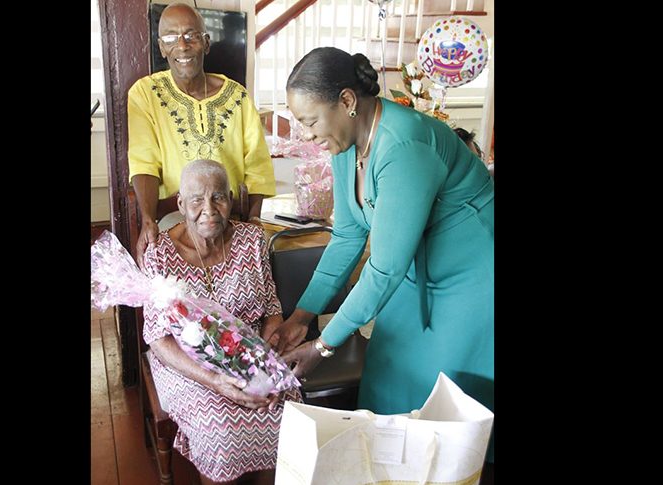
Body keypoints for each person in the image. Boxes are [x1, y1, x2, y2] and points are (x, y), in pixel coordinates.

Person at [273, 47, 494, 465]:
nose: (306, 135)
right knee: (389, 371)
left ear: (347, 101)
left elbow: (384, 269)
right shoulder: (345, 145)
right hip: (411, 272)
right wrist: (302, 316)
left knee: (448, 398)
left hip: (472, 276)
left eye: (310, 121)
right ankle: (392, 467)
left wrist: (323, 347)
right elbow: (347, 236)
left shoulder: (404, 145)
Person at [141, 159, 301, 485]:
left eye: (218, 197)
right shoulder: (159, 254)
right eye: (196, 200)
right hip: (188, 366)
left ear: (230, 199)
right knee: (221, 432)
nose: (209, 210)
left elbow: (271, 309)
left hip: (249, 353)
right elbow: (159, 339)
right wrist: (215, 381)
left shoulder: (252, 240)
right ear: (181, 204)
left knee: (283, 412)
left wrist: (262, 363)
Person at [128, 2, 275, 270]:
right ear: (161, 47)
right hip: (176, 217)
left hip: (231, 217)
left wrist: (254, 220)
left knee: (254, 267)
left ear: (206, 43)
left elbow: (257, 164)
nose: (182, 46)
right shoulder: (145, 94)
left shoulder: (237, 96)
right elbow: (143, 162)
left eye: (191, 35)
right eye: (171, 38)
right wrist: (148, 219)